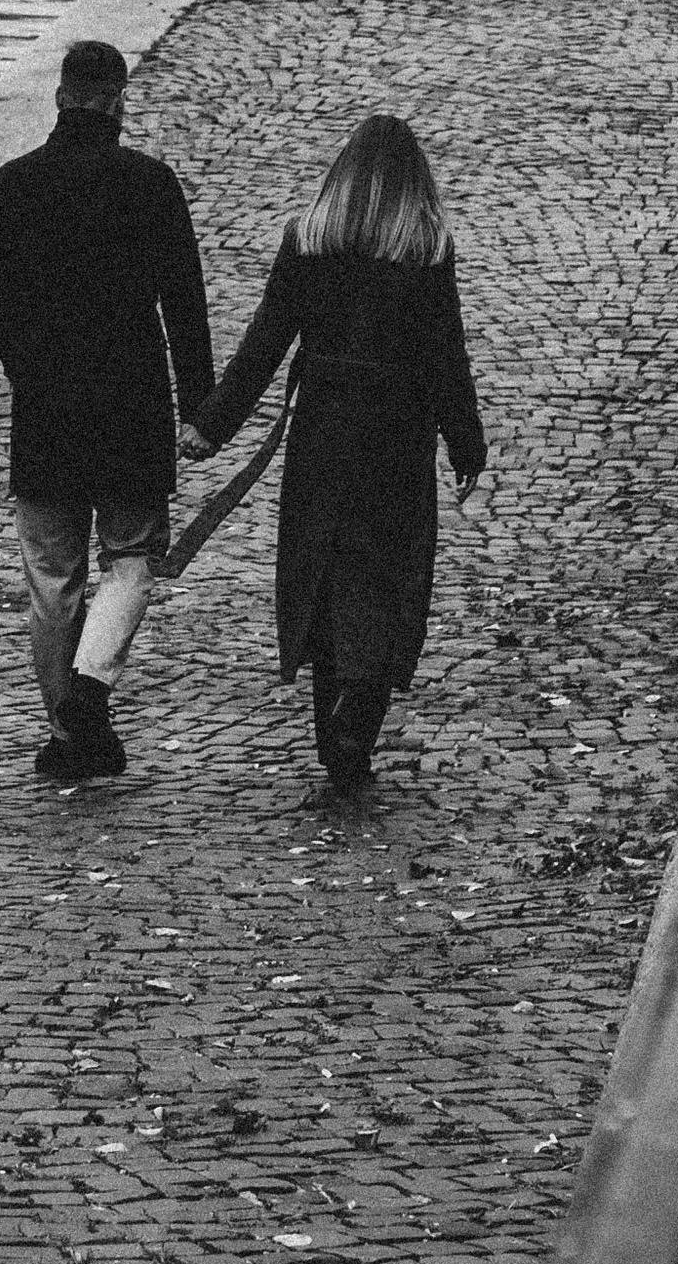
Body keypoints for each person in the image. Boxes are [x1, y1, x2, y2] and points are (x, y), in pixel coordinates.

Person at [183, 112, 486, 796]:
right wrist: (465, 442)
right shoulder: (426, 249)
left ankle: (334, 728)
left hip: (322, 430)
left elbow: (264, 343)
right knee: (385, 572)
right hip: (397, 435)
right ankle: (360, 710)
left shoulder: (308, 240)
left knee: (320, 568)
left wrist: (212, 425)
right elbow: (447, 358)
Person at [0, 38, 213, 785]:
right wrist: (200, 403)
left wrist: (27, 375)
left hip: (45, 403)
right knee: (132, 557)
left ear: (59, 96)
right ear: (118, 99)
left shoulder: (14, 184)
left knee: (52, 572)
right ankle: (90, 692)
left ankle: (67, 732)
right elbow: (184, 301)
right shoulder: (150, 184)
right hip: (130, 398)